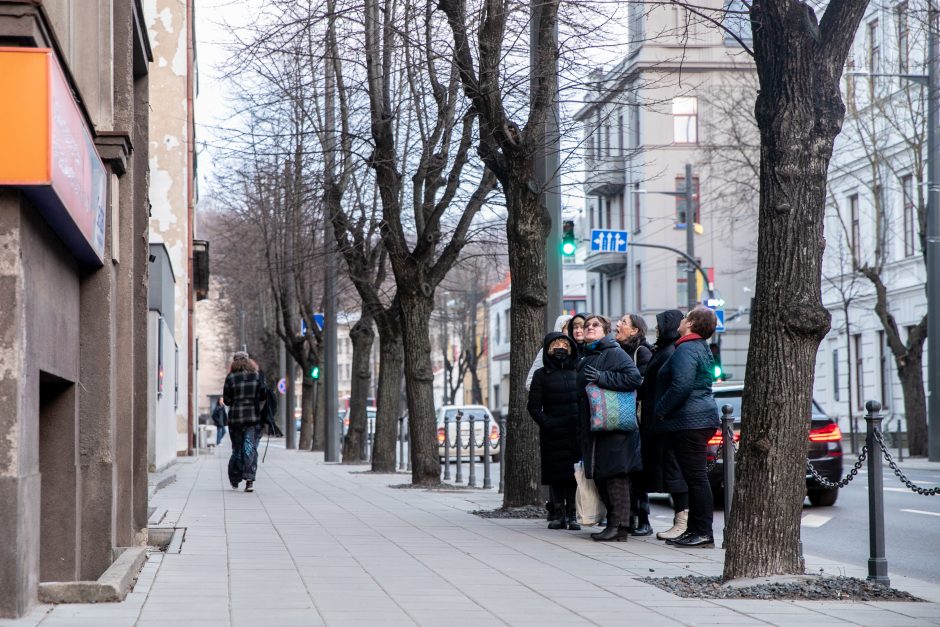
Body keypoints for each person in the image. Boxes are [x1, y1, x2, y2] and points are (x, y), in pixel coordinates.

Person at [653, 306, 720, 548]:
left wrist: (660, 410)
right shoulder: (698, 347)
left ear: (690, 324)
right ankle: (695, 530)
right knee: (695, 478)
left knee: (696, 479)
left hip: (689, 421)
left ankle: (702, 532)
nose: (680, 321)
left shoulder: (686, 349)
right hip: (696, 419)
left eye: (685, 317)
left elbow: (681, 385)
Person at [577, 314, 643, 542]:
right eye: (587, 325)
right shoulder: (590, 355)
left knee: (616, 479)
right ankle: (614, 525)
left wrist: (603, 377)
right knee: (604, 478)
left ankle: (619, 527)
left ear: (605, 331)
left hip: (615, 429)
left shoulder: (613, 352)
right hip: (598, 429)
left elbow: (634, 378)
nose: (589, 328)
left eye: (595, 325)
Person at [640, 310, 690, 540]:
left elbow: (675, 387)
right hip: (660, 422)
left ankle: (683, 521)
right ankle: (681, 521)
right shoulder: (663, 350)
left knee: (675, 473)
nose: (657, 329)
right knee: (670, 472)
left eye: (660, 325)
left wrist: (660, 413)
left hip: (666, 422)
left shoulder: (670, 352)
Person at [528, 332, 582, 531]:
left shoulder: (578, 369)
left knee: (575, 475)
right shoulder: (541, 375)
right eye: (555, 345)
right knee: (557, 476)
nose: (560, 348)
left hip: (576, 431)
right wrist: (547, 423)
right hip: (553, 433)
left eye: (564, 345)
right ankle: (558, 513)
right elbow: (533, 406)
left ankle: (573, 514)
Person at [615, 313, 654, 536]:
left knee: (637, 471)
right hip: (624, 415)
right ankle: (628, 517)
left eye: (623, 323)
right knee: (627, 470)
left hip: (637, 419)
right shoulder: (620, 351)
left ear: (635, 330)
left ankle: (644, 519)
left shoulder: (642, 352)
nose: (618, 324)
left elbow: (641, 383)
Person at [222, 351, 266, 492]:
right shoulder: (256, 376)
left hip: (235, 419)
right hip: (253, 419)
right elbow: (262, 397)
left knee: (237, 449)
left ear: (234, 362)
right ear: (249, 361)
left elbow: (227, 401)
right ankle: (249, 481)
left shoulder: (230, 378)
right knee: (249, 448)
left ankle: (235, 478)